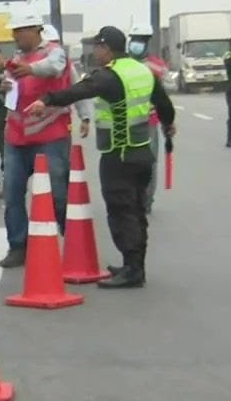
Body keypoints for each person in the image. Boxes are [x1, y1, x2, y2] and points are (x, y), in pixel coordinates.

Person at [24, 26, 175, 289]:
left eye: (97, 47)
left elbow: (80, 90)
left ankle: (132, 270)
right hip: (141, 151)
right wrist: (168, 123)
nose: (95, 52)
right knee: (137, 210)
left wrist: (46, 99)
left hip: (119, 154)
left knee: (121, 210)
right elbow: (163, 104)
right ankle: (135, 264)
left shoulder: (110, 75)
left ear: (106, 48)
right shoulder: (143, 71)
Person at [0, 10, 89, 268]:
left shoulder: (55, 52)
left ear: (35, 30)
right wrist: (3, 87)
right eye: (14, 32)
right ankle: (18, 246)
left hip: (51, 135)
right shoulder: (15, 60)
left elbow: (60, 72)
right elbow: (10, 90)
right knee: (13, 194)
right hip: (16, 136)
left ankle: (71, 239)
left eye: (19, 32)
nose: (16, 37)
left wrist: (85, 116)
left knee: (58, 193)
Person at [128, 24, 169, 213]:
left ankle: (146, 200)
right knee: (126, 163)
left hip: (149, 121)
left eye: (141, 39)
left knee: (149, 163)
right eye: (134, 38)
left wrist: (168, 121)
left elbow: (163, 96)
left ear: (147, 42)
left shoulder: (157, 66)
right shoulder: (121, 64)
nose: (136, 43)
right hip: (124, 121)